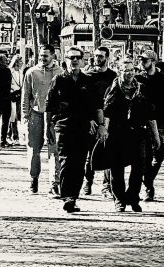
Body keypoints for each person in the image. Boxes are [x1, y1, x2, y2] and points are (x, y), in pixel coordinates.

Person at [46, 47, 104, 213]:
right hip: (63, 126)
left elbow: (97, 105)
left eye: (78, 57)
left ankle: (73, 196)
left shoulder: (88, 81)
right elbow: (49, 106)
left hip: (84, 127)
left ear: (83, 60)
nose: (75, 60)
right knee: (65, 160)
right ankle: (67, 197)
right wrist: (48, 128)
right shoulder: (59, 80)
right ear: (66, 60)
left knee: (79, 163)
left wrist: (100, 125)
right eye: (71, 58)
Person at [102, 66, 159, 212]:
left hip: (138, 133)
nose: (128, 73)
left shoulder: (142, 89)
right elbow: (106, 113)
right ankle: (119, 199)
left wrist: (156, 136)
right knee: (116, 168)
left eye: (131, 69)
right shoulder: (113, 89)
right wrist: (104, 132)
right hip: (117, 133)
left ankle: (133, 197)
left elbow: (151, 115)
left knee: (139, 166)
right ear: (119, 71)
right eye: (125, 70)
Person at [135, 50, 164, 200]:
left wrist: (156, 108)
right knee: (144, 157)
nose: (142, 62)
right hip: (141, 124)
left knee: (158, 157)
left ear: (153, 61)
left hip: (158, 123)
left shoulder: (163, 80)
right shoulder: (138, 79)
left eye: (145, 60)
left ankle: (147, 180)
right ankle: (149, 187)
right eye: (141, 60)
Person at [21, 46, 64, 195]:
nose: (42, 58)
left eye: (45, 56)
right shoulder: (31, 72)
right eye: (40, 56)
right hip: (36, 114)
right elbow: (25, 96)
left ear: (53, 55)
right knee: (34, 149)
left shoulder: (61, 73)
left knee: (54, 150)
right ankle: (34, 178)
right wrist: (25, 117)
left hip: (53, 117)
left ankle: (55, 183)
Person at [85, 46, 118, 197]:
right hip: (92, 119)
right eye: (96, 56)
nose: (97, 59)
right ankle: (88, 182)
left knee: (109, 153)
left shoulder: (114, 77)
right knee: (89, 154)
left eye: (101, 56)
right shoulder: (88, 76)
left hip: (109, 118)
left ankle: (106, 186)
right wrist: (90, 118)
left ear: (107, 58)